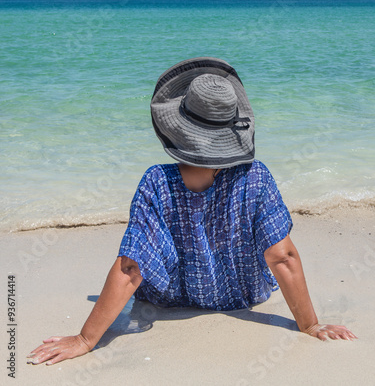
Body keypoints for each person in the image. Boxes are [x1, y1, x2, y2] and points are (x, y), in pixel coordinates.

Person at [27, 57, 357, 366]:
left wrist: (86, 339)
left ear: (176, 129)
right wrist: (310, 325)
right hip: (243, 297)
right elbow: (282, 257)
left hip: (168, 301)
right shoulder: (255, 177)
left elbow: (131, 268)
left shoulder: (157, 183)